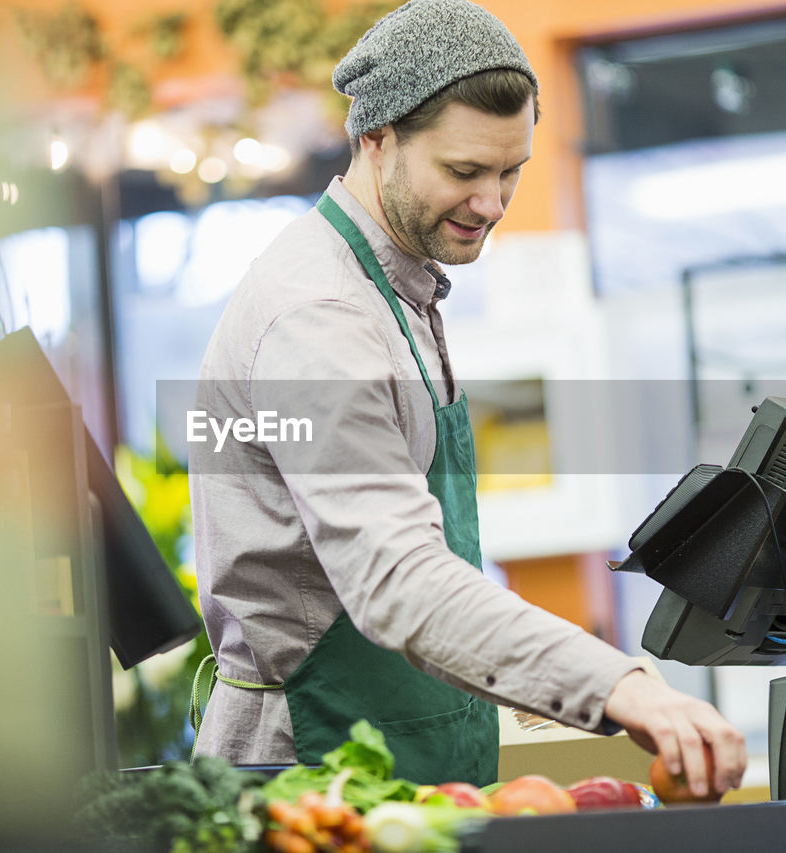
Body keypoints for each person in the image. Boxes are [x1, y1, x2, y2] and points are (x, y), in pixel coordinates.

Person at [188, 0, 746, 795]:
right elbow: (398, 577)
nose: (492, 202)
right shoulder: (320, 318)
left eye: (509, 171)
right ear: (375, 139)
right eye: (463, 172)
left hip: (401, 739)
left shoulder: (400, 290)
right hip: (312, 766)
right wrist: (620, 685)